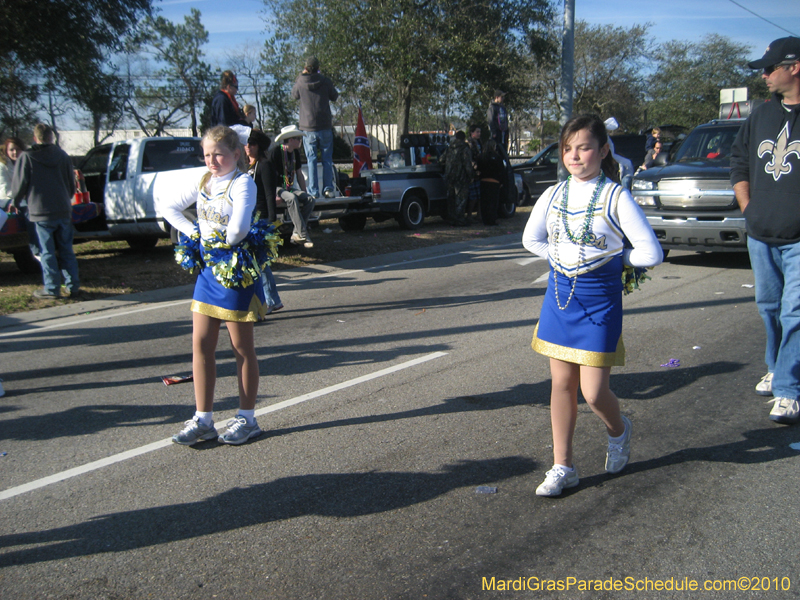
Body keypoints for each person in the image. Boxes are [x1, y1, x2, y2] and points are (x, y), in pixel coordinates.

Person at [522, 113, 662, 497]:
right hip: (559, 299)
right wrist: (560, 256)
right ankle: (563, 465)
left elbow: (651, 252)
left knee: (594, 392)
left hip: (599, 304)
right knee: (561, 384)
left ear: (602, 151)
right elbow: (530, 240)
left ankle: (619, 430)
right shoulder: (553, 194)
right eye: (568, 148)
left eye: (584, 147)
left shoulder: (616, 195)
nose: (575, 156)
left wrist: (614, 260)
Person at [161, 125, 269, 445]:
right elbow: (169, 208)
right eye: (207, 154)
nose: (212, 160)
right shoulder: (205, 179)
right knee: (201, 345)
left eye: (219, 154)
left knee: (241, 349)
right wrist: (196, 234)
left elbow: (239, 228)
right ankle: (204, 419)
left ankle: (248, 419)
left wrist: (219, 241)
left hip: (234, 271)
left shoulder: (242, 183)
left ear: (236, 154)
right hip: (209, 272)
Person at [730, 36, 800, 425]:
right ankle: (776, 366)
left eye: (770, 67)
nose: (764, 74)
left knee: (796, 312)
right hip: (761, 232)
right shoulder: (761, 114)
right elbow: (739, 161)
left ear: (794, 66)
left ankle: (790, 388)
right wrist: (748, 206)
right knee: (769, 308)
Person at [11, 124, 79, 300]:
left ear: (35, 138)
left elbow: (20, 184)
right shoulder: (63, 156)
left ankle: (52, 288)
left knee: (47, 251)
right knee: (66, 249)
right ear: (51, 137)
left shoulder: (27, 157)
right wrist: (66, 198)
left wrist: (15, 202)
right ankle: (73, 286)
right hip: (63, 209)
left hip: (40, 211)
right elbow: (71, 184)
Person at [244, 128, 284, 315]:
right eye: (246, 144)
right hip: (248, 217)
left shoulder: (265, 165)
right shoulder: (246, 166)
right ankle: (268, 299)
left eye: (251, 144)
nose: (248, 147)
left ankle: (271, 299)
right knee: (255, 261)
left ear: (259, 146)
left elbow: (270, 193)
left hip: (261, 219)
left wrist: (271, 220)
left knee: (260, 261)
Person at [291, 56, 339, 199]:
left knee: (311, 159)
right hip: (324, 125)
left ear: (306, 68)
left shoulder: (300, 82)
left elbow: (294, 95)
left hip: (307, 127)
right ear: (318, 68)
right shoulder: (325, 81)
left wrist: (301, 75)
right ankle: (328, 189)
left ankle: (313, 191)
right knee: (327, 159)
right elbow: (334, 96)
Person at [265, 125, 315, 248]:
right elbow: (268, 177)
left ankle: (296, 232)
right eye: (298, 138)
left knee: (310, 200)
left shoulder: (295, 153)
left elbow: (299, 174)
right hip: (277, 187)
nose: (300, 141)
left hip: (289, 187)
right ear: (290, 140)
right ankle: (303, 234)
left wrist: (304, 192)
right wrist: (272, 195)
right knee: (291, 198)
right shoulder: (276, 152)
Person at [442, 131, 474, 226]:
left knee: (451, 198)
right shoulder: (464, 149)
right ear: (464, 138)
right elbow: (467, 164)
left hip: (449, 177)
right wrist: (471, 175)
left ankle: (451, 218)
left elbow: (441, 159)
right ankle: (459, 220)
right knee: (460, 200)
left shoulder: (449, 148)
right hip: (461, 178)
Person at [476, 139, 505, 225]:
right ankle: (492, 219)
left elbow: (478, 169)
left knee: (484, 202)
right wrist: (502, 181)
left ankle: (485, 219)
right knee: (493, 202)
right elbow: (501, 170)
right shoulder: (497, 157)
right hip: (494, 181)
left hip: (483, 181)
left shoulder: (481, 157)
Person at [486, 90, 509, 156]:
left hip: (503, 133)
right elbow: (490, 120)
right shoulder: (492, 107)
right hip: (497, 133)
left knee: (503, 149)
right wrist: (494, 132)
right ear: (496, 97)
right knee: (496, 149)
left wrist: (506, 130)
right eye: (501, 97)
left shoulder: (503, 108)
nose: (503, 99)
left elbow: (505, 119)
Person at [467, 125, 483, 218]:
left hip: (480, 171)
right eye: (477, 132)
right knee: (473, 197)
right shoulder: (469, 143)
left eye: (479, 132)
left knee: (479, 196)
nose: (479, 134)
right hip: (473, 173)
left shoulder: (479, 143)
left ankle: (479, 214)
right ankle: (469, 215)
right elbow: (469, 158)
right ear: (472, 133)